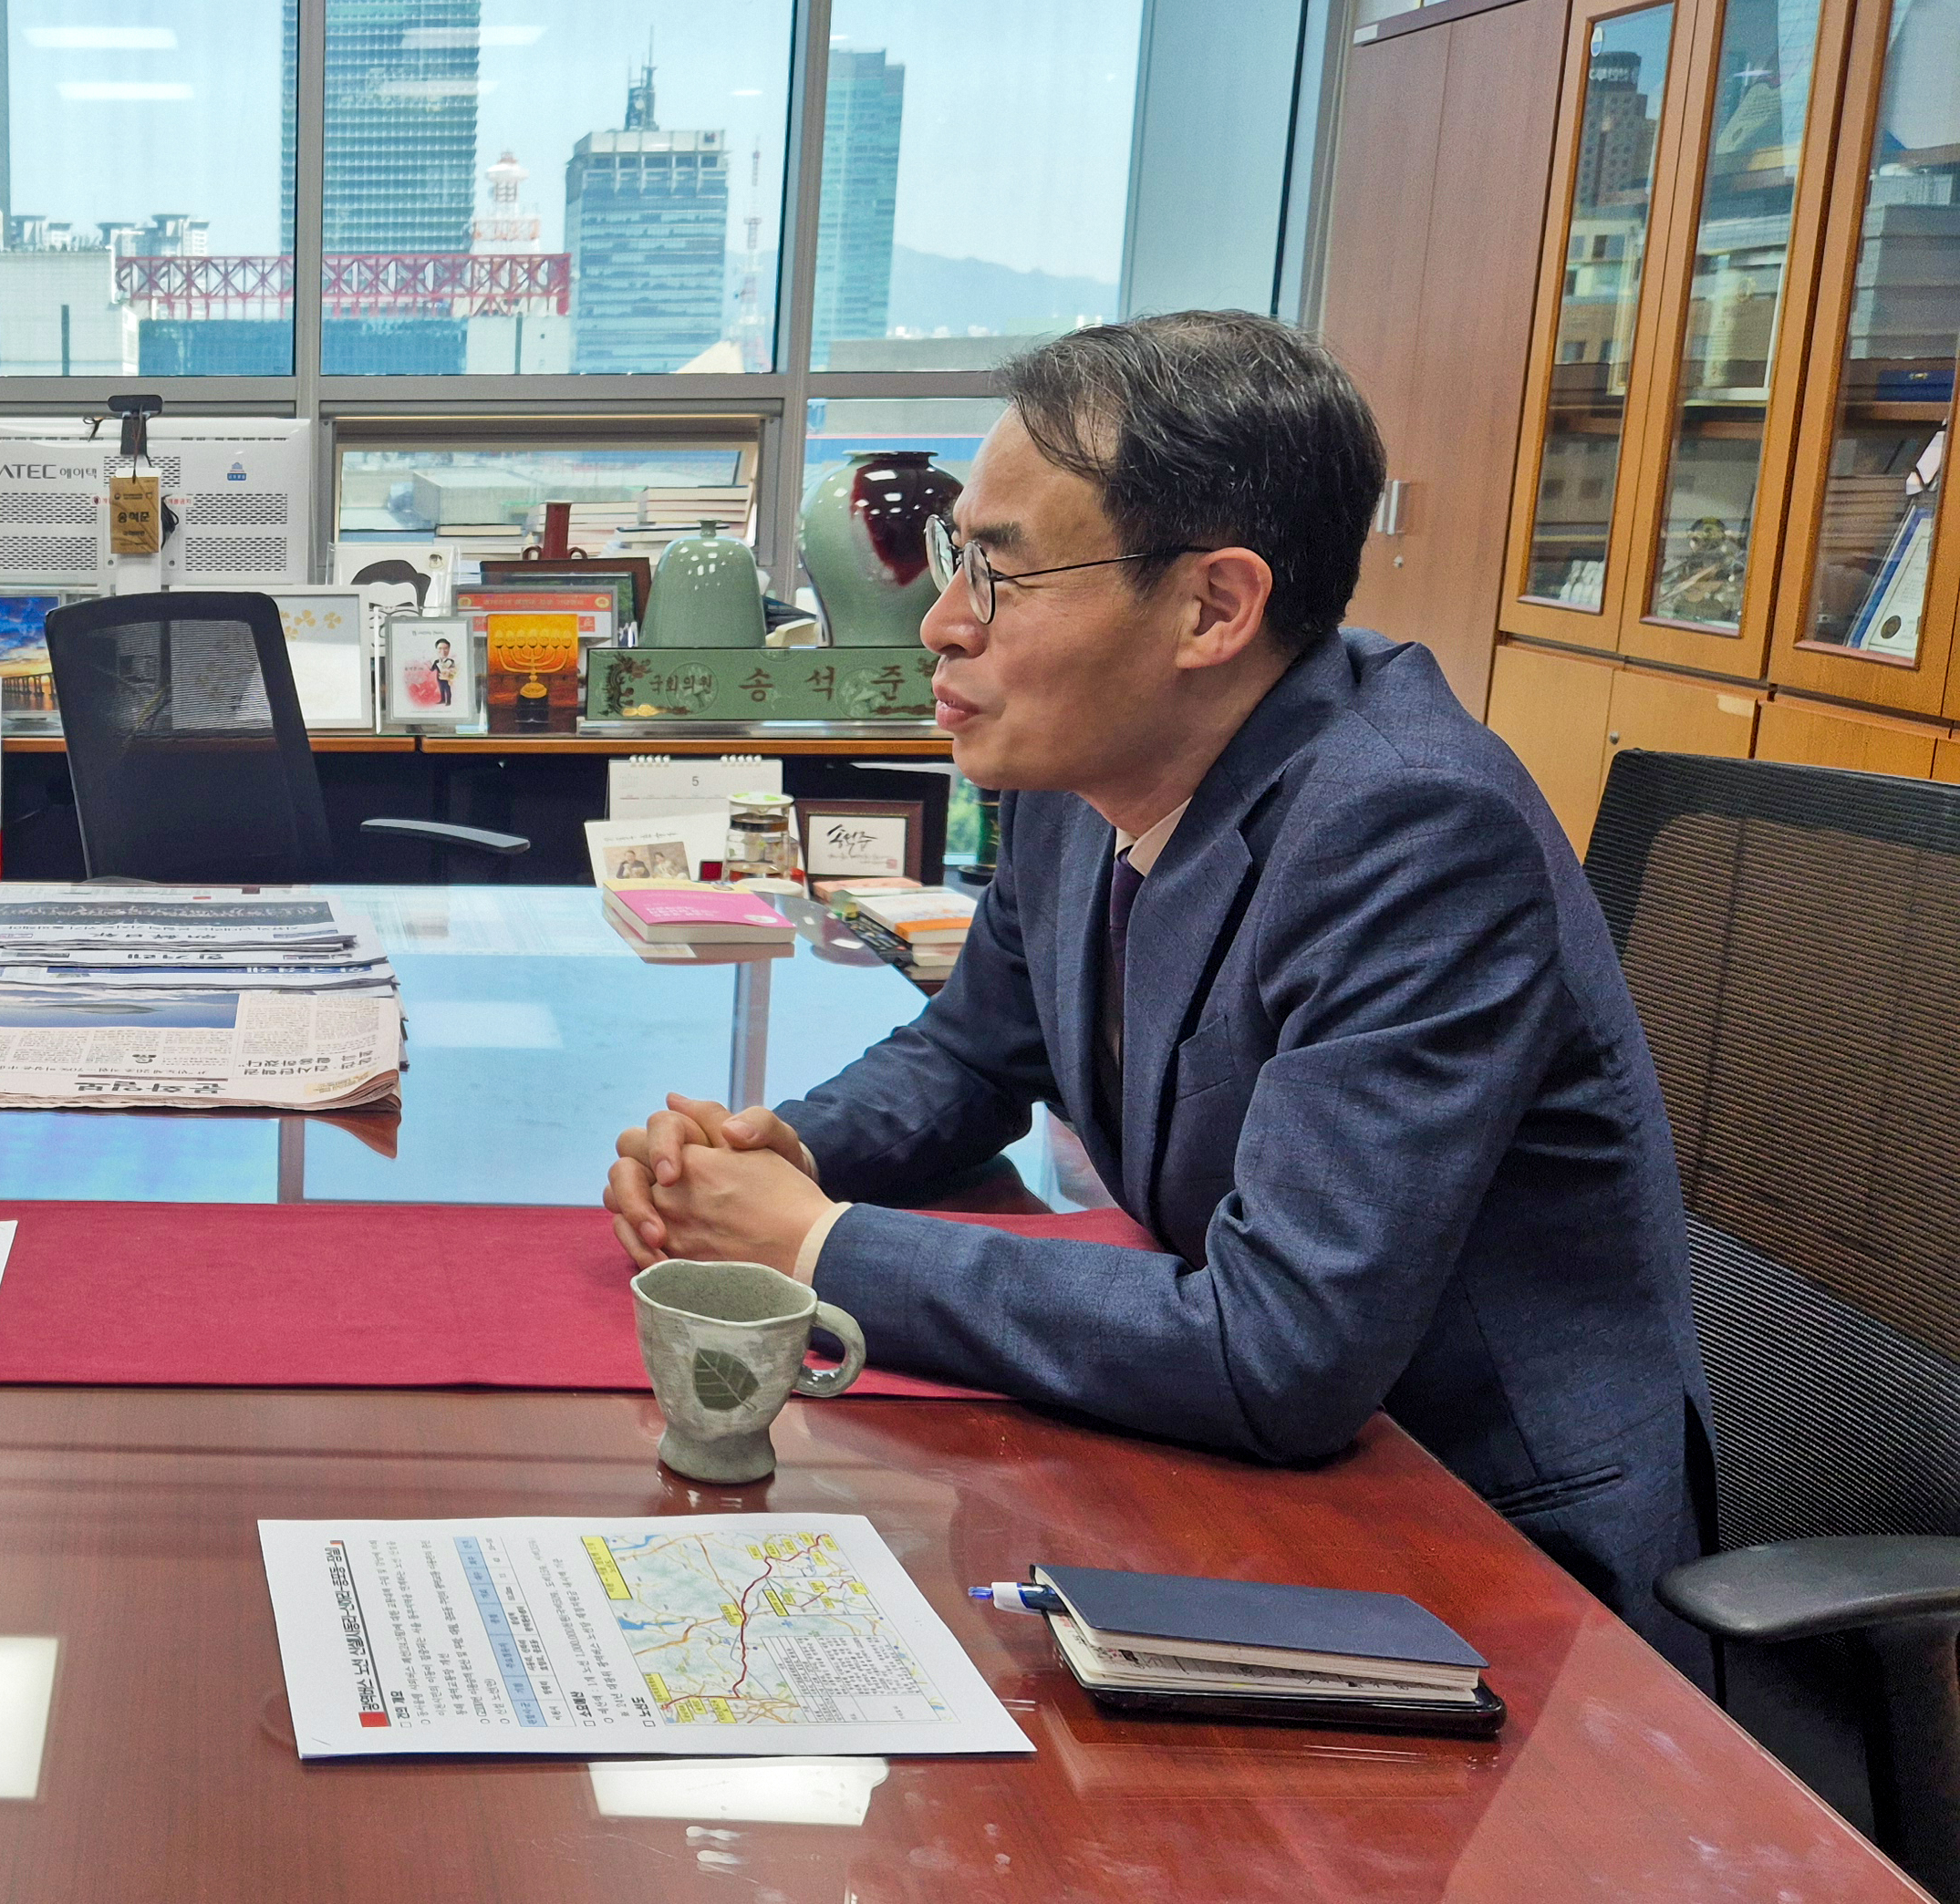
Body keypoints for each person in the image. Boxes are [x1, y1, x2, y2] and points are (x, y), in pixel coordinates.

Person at [605, 311, 1709, 1671]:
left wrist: (814, 1247)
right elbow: (968, 1057)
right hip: (1248, 1494)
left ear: (1214, 607)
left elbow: (1280, 1349)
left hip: (1484, 1570)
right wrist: (777, 1152)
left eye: (1002, 575)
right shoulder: (1089, 773)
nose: (945, 625)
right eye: (958, 564)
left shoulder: (1411, 829)